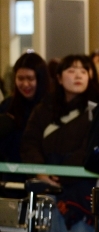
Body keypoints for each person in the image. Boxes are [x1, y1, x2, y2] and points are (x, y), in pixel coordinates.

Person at [21, 54, 99, 232]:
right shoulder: (44, 109)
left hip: (81, 195)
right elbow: (29, 142)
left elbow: (91, 147)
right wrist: (41, 171)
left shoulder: (98, 110)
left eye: (83, 71)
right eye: (71, 70)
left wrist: (60, 174)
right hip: (45, 189)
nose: (78, 75)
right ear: (58, 78)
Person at [0, 52, 51, 197]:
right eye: (20, 78)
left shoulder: (49, 108)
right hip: (10, 183)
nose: (25, 84)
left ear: (40, 79)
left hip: (42, 183)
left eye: (30, 78)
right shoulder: (8, 106)